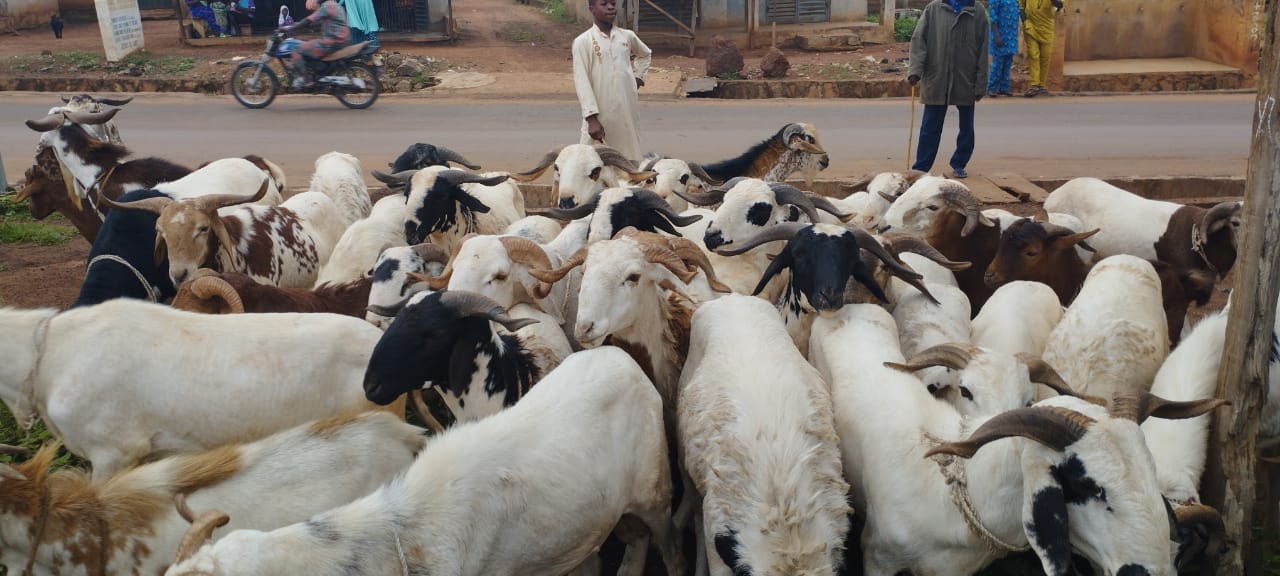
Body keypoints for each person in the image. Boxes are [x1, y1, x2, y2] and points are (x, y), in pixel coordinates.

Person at [907, 0, 989, 179]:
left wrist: (981, 83)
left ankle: (959, 163)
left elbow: (983, 49)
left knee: (967, 127)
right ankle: (921, 167)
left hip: (965, 78)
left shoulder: (978, 11)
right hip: (937, 76)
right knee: (930, 126)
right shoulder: (933, 9)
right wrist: (915, 70)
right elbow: (918, 40)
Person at [571, 0, 651, 162]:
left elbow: (645, 54)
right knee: (592, 161)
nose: (610, 7)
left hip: (626, 112)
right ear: (592, 9)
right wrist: (591, 118)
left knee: (629, 160)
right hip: (600, 114)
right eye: (604, 4)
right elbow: (582, 81)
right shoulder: (583, 41)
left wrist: (638, 78)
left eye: (613, 4)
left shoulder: (626, 36)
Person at [279, 0, 350, 89]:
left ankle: (308, 81)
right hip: (342, 40)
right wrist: (298, 25)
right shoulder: (336, 5)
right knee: (310, 43)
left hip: (331, 43)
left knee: (296, 50)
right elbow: (314, 22)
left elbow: (308, 20)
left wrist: (290, 29)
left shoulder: (326, 6)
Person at [1019, 0, 1062, 97]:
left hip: (1047, 28)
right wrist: (1024, 20)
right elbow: (1021, 6)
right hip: (1030, 26)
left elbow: (1060, 5)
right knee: (1033, 55)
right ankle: (1034, 85)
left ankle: (1041, 85)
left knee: (1045, 57)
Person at [986, 0, 1018, 97]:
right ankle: (991, 88)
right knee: (998, 64)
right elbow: (992, 16)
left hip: (1011, 36)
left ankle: (1004, 88)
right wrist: (996, 34)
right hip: (1000, 35)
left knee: (1007, 63)